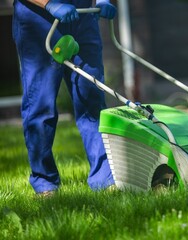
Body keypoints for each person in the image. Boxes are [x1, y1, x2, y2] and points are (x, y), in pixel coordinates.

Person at [12, 0, 117, 195]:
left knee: (92, 99)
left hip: (84, 15)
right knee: (40, 104)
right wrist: (49, 3)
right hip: (39, 18)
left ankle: (105, 178)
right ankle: (45, 183)